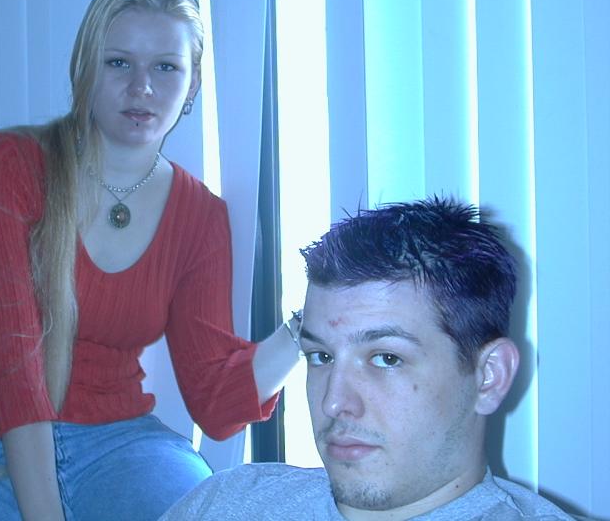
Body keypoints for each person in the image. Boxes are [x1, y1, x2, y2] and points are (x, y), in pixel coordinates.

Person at [0, 0, 302, 521]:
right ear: (85, 67)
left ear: (192, 83)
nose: (142, 87)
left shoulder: (200, 215)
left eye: (166, 67)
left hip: (122, 440)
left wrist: (306, 327)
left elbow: (217, 403)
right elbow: (11, 367)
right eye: (119, 62)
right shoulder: (4, 167)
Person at [161, 197, 575, 520]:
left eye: (386, 359)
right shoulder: (228, 502)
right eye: (321, 356)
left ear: (489, 377)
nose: (333, 403)